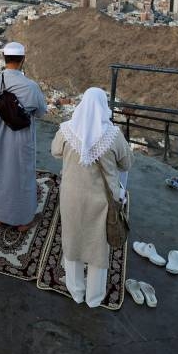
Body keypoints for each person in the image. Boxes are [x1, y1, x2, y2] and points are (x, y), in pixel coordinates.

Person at [51, 87, 133, 308]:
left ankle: (76, 290)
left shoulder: (66, 130)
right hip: (102, 201)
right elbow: (127, 164)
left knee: (72, 238)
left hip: (72, 196)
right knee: (99, 246)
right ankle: (94, 298)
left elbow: (55, 151)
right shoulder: (114, 136)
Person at [0, 42, 47, 230]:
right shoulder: (31, 86)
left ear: (4, 58)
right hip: (22, 138)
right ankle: (24, 220)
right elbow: (41, 111)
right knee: (23, 175)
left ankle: (1, 216)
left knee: (2, 173)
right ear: (23, 60)